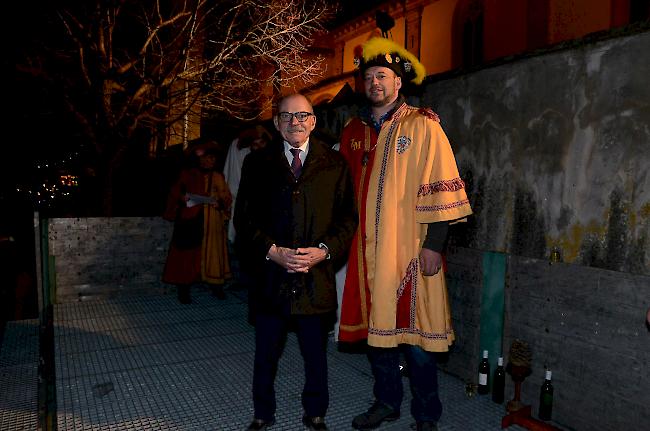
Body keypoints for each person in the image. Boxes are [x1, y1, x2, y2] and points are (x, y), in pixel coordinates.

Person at [337, 37, 473, 431]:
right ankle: (386, 403)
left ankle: (427, 415)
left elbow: (442, 183)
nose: (375, 82)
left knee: (417, 340)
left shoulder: (423, 125)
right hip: (366, 252)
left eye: (383, 75)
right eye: (369, 77)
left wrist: (435, 245)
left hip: (412, 250)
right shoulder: (353, 131)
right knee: (378, 336)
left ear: (399, 83)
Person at [234, 93, 357, 431]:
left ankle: (315, 412)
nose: (295, 122)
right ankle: (262, 413)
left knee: (315, 356)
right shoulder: (257, 163)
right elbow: (243, 220)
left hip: (315, 279)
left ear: (313, 121)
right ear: (276, 123)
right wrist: (272, 250)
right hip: (271, 277)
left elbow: (348, 220)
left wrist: (324, 250)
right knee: (265, 354)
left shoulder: (335, 164)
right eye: (287, 116)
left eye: (302, 116)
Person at [162, 139, 232, 303]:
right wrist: (182, 197)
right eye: (205, 158)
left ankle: (216, 286)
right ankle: (183, 290)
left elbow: (227, 198)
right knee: (186, 256)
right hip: (190, 221)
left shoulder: (218, 176)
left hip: (212, 222)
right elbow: (176, 192)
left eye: (212, 158)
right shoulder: (188, 174)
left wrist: (220, 202)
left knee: (214, 255)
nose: (209, 161)